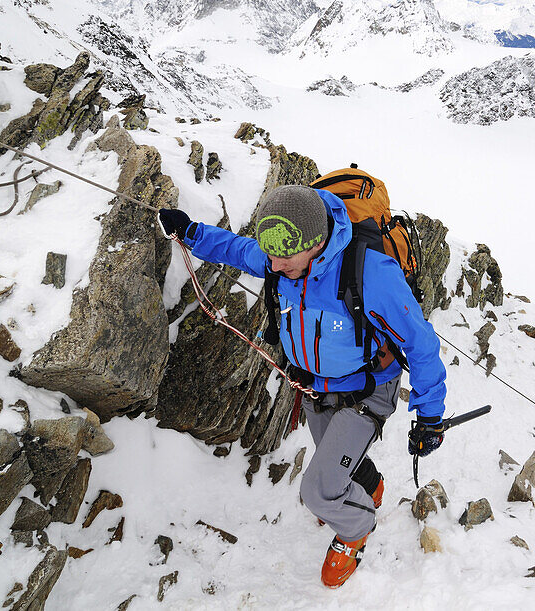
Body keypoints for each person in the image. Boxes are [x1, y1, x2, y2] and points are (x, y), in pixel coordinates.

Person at [158, 184, 447, 588]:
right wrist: (191, 233)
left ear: (316, 244)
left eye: (283, 259)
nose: (273, 267)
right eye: (270, 257)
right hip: (313, 387)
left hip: (366, 390)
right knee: (334, 456)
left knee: (317, 491)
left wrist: (430, 415)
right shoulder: (283, 254)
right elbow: (238, 250)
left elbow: (420, 343)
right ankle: (367, 484)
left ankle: (356, 528)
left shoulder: (370, 273)